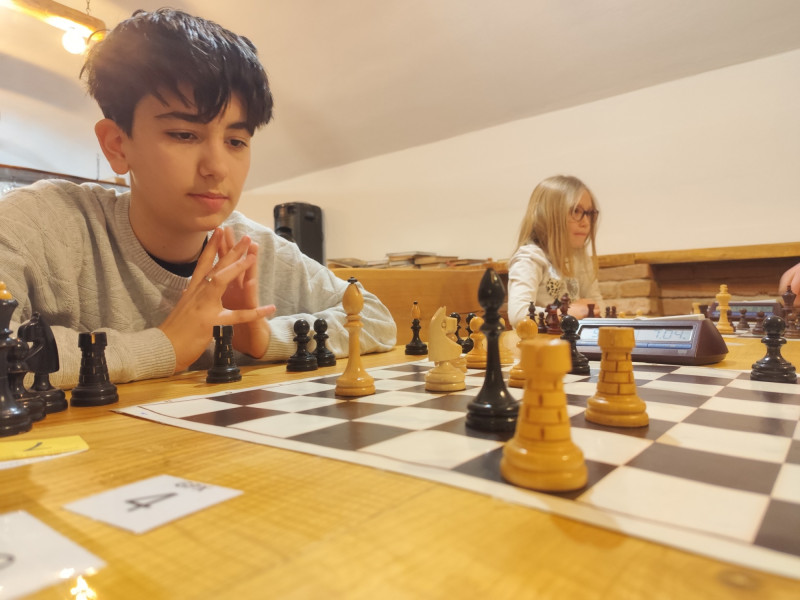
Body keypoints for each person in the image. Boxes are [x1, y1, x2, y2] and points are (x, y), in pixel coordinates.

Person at [0, 8, 396, 389]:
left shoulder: (252, 249)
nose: (217, 168)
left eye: (236, 141)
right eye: (184, 135)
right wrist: (164, 347)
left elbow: (377, 320)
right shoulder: (39, 224)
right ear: (117, 144)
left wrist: (264, 337)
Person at [507, 175, 602, 328]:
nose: (586, 222)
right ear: (549, 215)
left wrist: (592, 311)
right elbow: (518, 315)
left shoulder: (579, 256)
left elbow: (597, 304)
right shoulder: (530, 257)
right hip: (540, 342)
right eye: (576, 211)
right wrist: (568, 313)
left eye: (590, 213)